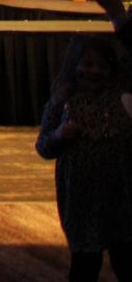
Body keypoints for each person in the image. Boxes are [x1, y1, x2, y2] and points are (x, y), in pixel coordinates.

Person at [35, 36, 132, 282]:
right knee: (85, 263)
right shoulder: (62, 102)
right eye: (88, 64)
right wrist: (60, 134)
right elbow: (43, 147)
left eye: (102, 66)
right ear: (74, 65)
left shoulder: (124, 100)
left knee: (125, 257)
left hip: (120, 197)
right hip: (81, 199)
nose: (94, 71)